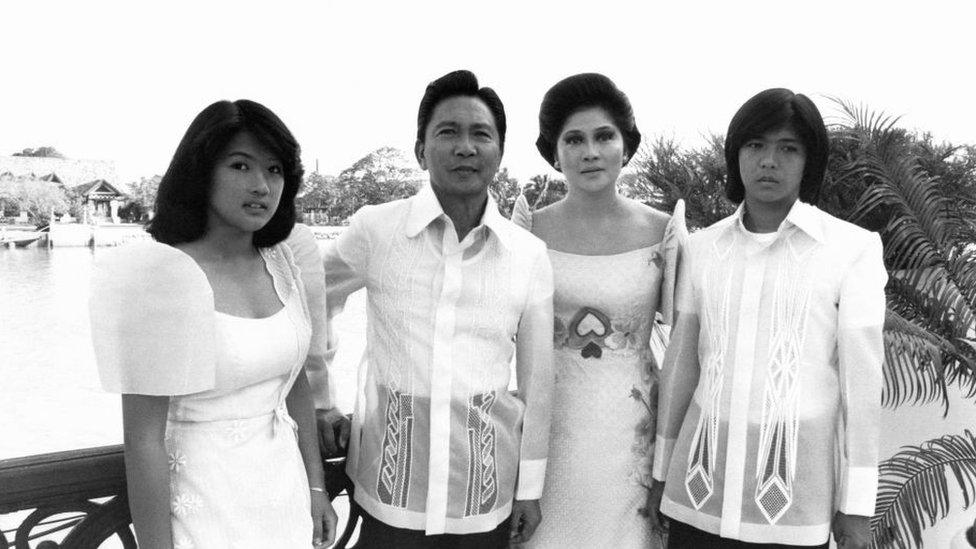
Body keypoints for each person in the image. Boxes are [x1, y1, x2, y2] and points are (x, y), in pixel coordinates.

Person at [313, 69, 554, 549]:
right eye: (448, 132)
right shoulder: (376, 231)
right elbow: (313, 298)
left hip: (482, 497)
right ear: (421, 149)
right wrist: (321, 399)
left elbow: (538, 382)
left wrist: (529, 487)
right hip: (390, 493)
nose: (466, 147)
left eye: (481, 134)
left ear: (499, 152)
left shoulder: (527, 254)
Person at [89, 99, 338, 548]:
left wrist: (316, 488)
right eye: (240, 165)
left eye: (275, 169)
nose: (261, 185)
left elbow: (297, 382)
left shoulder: (280, 260)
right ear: (201, 171)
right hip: (204, 506)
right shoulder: (160, 275)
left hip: (283, 495)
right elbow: (143, 440)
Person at [649, 88, 887, 549]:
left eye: (788, 148)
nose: (769, 161)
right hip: (697, 497)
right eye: (755, 145)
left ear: (808, 161)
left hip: (793, 507)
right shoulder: (702, 249)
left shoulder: (851, 250)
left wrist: (857, 506)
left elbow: (861, 389)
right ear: (736, 154)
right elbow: (681, 369)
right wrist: (663, 470)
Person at [509, 73, 686, 549]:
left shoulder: (664, 232)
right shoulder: (526, 234)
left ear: (625, 146)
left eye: (604, 136)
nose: (591, 151)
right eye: (575, 139)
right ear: (555, 152)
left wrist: (668, 463)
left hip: (630, 436)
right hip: (549, 430)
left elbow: (686, 350)